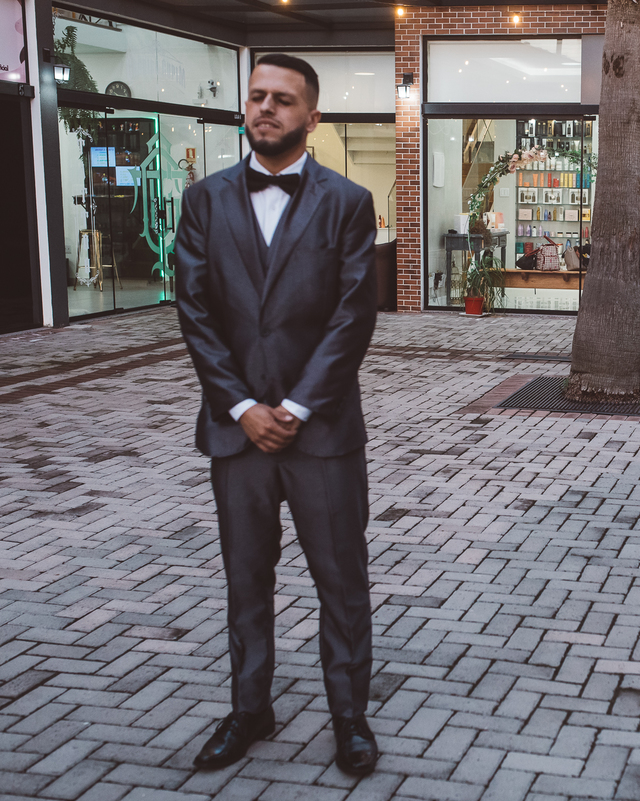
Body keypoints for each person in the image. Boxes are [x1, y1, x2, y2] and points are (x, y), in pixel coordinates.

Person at [175, 53, 380, 775]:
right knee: (245, 579)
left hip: (321, 432)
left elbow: (353, 316)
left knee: (341, 580)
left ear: (312, 116)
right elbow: (195, 311)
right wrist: (239, 406)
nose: (266, 107)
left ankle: (349, 716)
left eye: (283, 99)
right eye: (257, 96)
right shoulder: (203, 200)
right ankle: (250, 708)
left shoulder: (348, 202)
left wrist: (292, 406)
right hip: (237, 434)